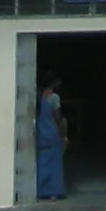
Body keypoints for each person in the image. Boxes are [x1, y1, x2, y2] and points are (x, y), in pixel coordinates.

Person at [35, 73, 67, 201]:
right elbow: (57, 117)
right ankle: (54, 192)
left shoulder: (37, 96)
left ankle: (41, 190)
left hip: (40, 131)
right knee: (55, 163)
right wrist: (63, 135)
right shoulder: (54, 97)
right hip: (51, 132)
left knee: (42, 161)